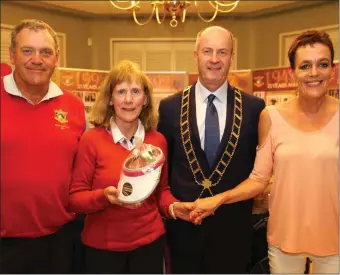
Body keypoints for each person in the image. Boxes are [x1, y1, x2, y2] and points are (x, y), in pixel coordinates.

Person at [190, 30, 339, 273]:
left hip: (335, 243)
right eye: (305, 66)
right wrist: (219, 199)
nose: (314, 73)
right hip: (284, 241)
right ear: (292, 72)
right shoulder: (271, 116)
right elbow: (259, 179)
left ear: (332, 70)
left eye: (322, 64)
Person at [68, 60, 195, 274]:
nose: (128, 100)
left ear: (145, 99)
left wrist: (174, 207)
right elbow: (75, 199)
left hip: (149, 247)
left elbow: (161, 192)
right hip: (102, 250)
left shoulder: (158, 141)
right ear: (110, 99)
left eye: (135, 91)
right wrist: (104, 197)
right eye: (121, 92)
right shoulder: (91, 140)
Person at [157, 26, 265, 273]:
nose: (214, 59)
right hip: (183, 236)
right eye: (207, 51)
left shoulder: (254, 109)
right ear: (196, 55)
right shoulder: (170, 107)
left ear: (231, 57)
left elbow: (258, 173)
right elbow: (164, 174)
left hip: (234, 237)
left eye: (222, 52)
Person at [0, 19, 86, 273]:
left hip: (61, 241)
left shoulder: (74, 107)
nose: (37, 59)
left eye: (45, 52)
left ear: (56, 59)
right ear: (12, 54)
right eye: (28, 50)